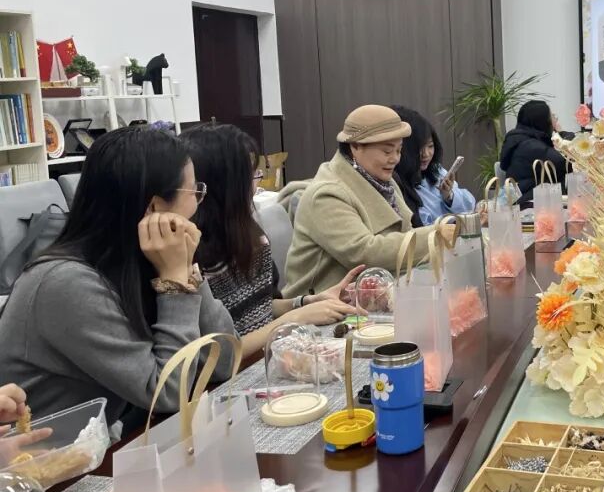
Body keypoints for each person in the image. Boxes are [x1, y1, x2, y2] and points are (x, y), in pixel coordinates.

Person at [0, 128, 237, 432]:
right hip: (47, 457)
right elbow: (167, 393)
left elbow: (224, 362)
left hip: (100, 443)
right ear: (154, 208)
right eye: (195, 192)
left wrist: (187, 270)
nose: (198, 204)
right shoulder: (66, 283)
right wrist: (176, 284)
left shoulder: (139, 262)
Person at [181, 124, 364, 358]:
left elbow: (258, 307)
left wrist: (305, 302)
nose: (256, 184)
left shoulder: (246, 232)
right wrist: (295, 317)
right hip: (243, 371)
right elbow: (221, 356)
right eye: (250, 175)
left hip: (271, 355)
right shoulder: (189, 255)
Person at [284, 105, 452, 297]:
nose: (395, 159)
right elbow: (365, 254)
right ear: (355, 146)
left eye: (399, 150)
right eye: (387, 152)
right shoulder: (326, 194)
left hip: (378, 292)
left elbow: (406, 231)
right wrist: (436, 235)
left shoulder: (383, 180)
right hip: (326, 305)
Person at [391, 107, 476, 227]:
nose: (426, 154)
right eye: (419, 148)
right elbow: (422, 225)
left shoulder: (436, 171)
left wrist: (449, 196)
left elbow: (469, 205)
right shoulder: (398, 182)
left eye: (430, 146)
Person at [500, 100, 568, 204]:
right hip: (527, 204)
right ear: (543, 121)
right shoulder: (530, 146)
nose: (555, 120)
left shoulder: (520, 139)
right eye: (552, 116)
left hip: (526, 197)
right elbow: (565, 164)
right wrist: (560, 134)